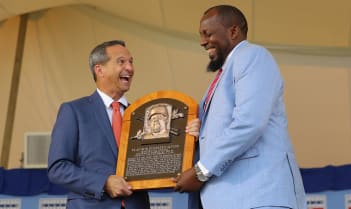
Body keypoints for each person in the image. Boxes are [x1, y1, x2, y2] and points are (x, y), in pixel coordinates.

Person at [173, 5, 307, 209]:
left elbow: (249, 123)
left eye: (207, 34)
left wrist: (201, 171)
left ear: (233, 31)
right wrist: (201, 132)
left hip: (258, 197)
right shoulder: (223, 74)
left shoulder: (252, 56)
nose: (202, 41)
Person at [47, 40, 200, 209]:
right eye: (121, 62)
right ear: (99, 70)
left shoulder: (143, 116)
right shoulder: (74, 111)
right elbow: (58, 168)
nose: (130, 68)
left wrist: (193, 140)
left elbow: (163, 167)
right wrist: (104, 182)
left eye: (131, 62)